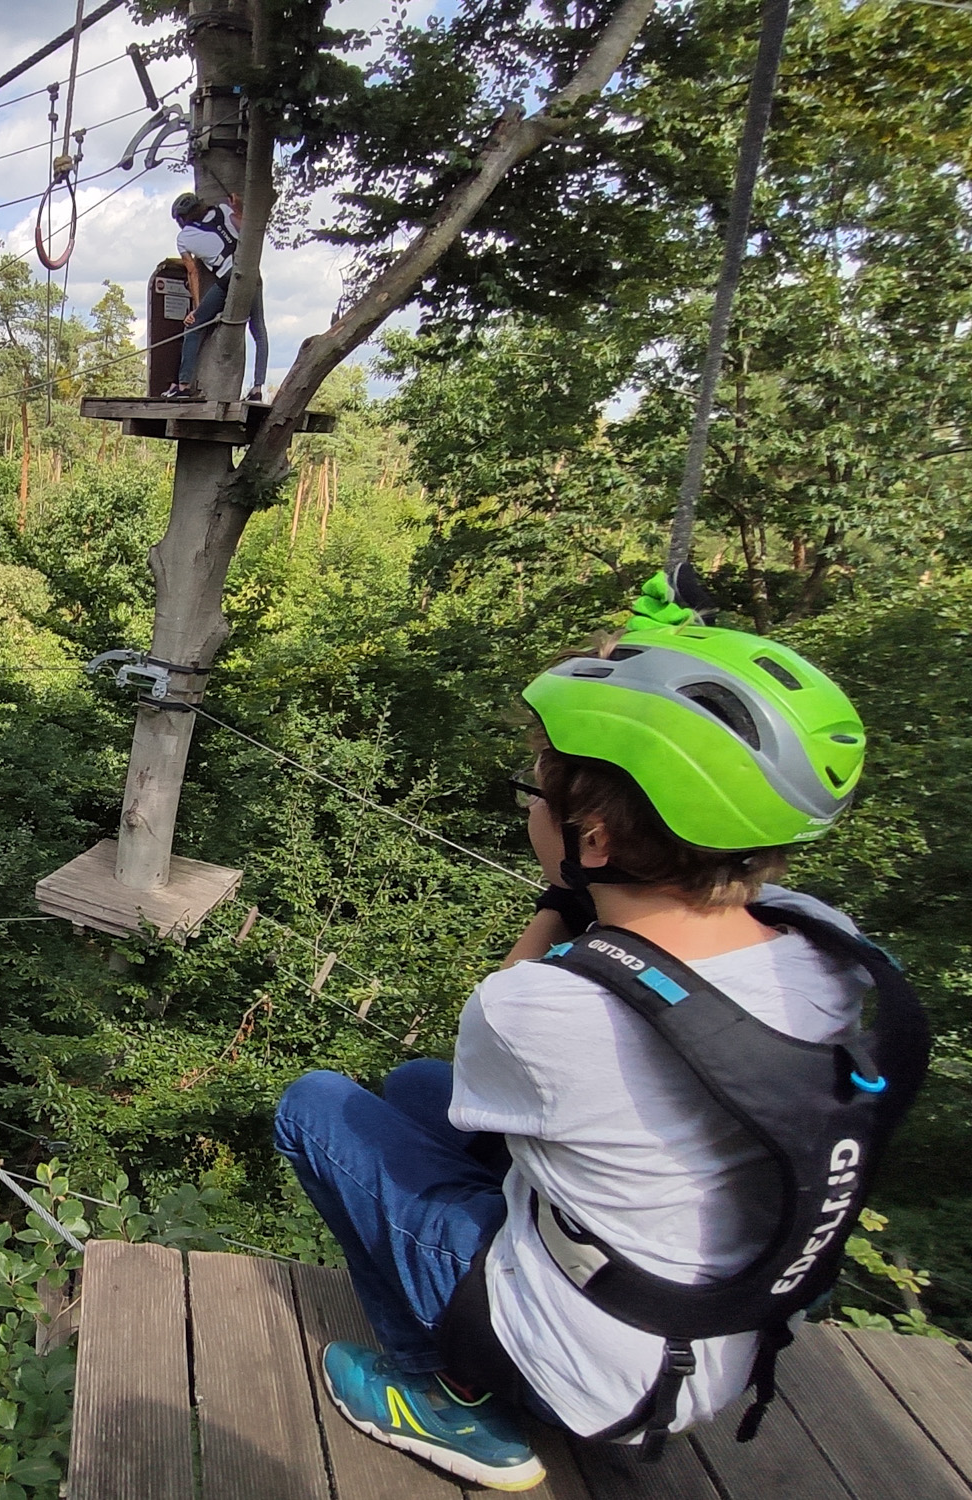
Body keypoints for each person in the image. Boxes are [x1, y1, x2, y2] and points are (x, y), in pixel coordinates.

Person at [272, 575, 927, 1491]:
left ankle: (448, 1396)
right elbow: (644, 958)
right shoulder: (822, 940)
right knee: (421, 1087)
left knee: (316, 1105)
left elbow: (516, 1001)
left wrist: (555, 899)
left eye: (533, 800)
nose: (527, 814)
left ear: (593, 839)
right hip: (716, 1326)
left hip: (594, 1367)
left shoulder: (542, 1011)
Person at [164, 190, 268, 402]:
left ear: (182, 219)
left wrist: (197, 307)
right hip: (251, 274)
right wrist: (238, 207)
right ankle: (257, 388)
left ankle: (183, 385)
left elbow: (192, 271)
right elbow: (248, 229)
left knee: (193, 326)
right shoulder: (223, 210)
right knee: (258, 330)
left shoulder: (183, 238)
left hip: (227, 278)